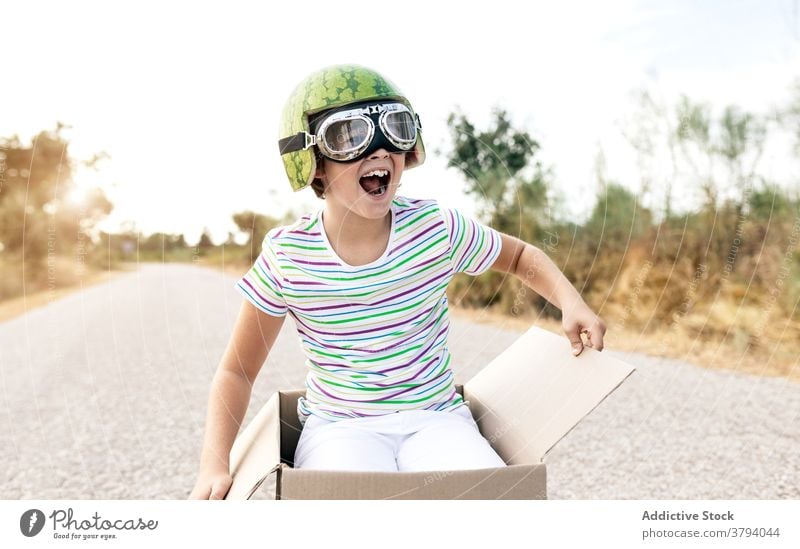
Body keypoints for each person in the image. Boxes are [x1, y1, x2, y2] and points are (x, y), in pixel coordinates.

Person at [189, 64, 606, 499]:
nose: (379, 150)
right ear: (311, 163)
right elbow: (237, 370)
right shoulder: (288, 256)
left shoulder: (434, 227)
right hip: (340, 426)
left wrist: (570, 302)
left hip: (437, 417)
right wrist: (213, 465)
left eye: (394, 130)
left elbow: (519, 256)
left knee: (493, 501)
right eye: (348, 136)